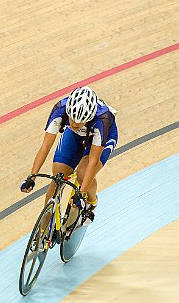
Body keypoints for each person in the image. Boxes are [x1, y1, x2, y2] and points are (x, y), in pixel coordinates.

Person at [20, 86, 118, 226]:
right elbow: (45, 146)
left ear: (89, 118)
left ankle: (91, 203)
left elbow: (92, 161)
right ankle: (42, 232)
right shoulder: (60, 109)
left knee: (83, 174)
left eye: (79, 122)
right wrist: (32, 176)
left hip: (102, 138)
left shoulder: (103, 118)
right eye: (72, 120)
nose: (74, 124)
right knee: (58, 176)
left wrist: (81, 193)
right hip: (75, 135)